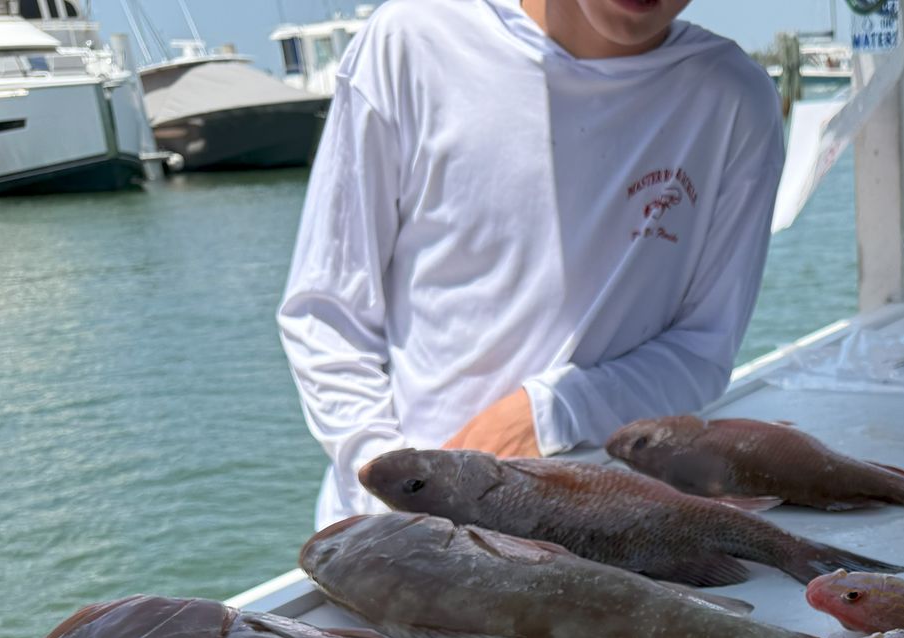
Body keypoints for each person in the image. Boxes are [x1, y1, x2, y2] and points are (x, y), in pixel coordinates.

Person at [279, 0, 785, 527]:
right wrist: (399, 486)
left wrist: (551, 412)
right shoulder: (411, 41)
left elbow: (703, 348)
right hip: (390, 531)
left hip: (605, 530)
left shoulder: (733, 99)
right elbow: (326, 315)